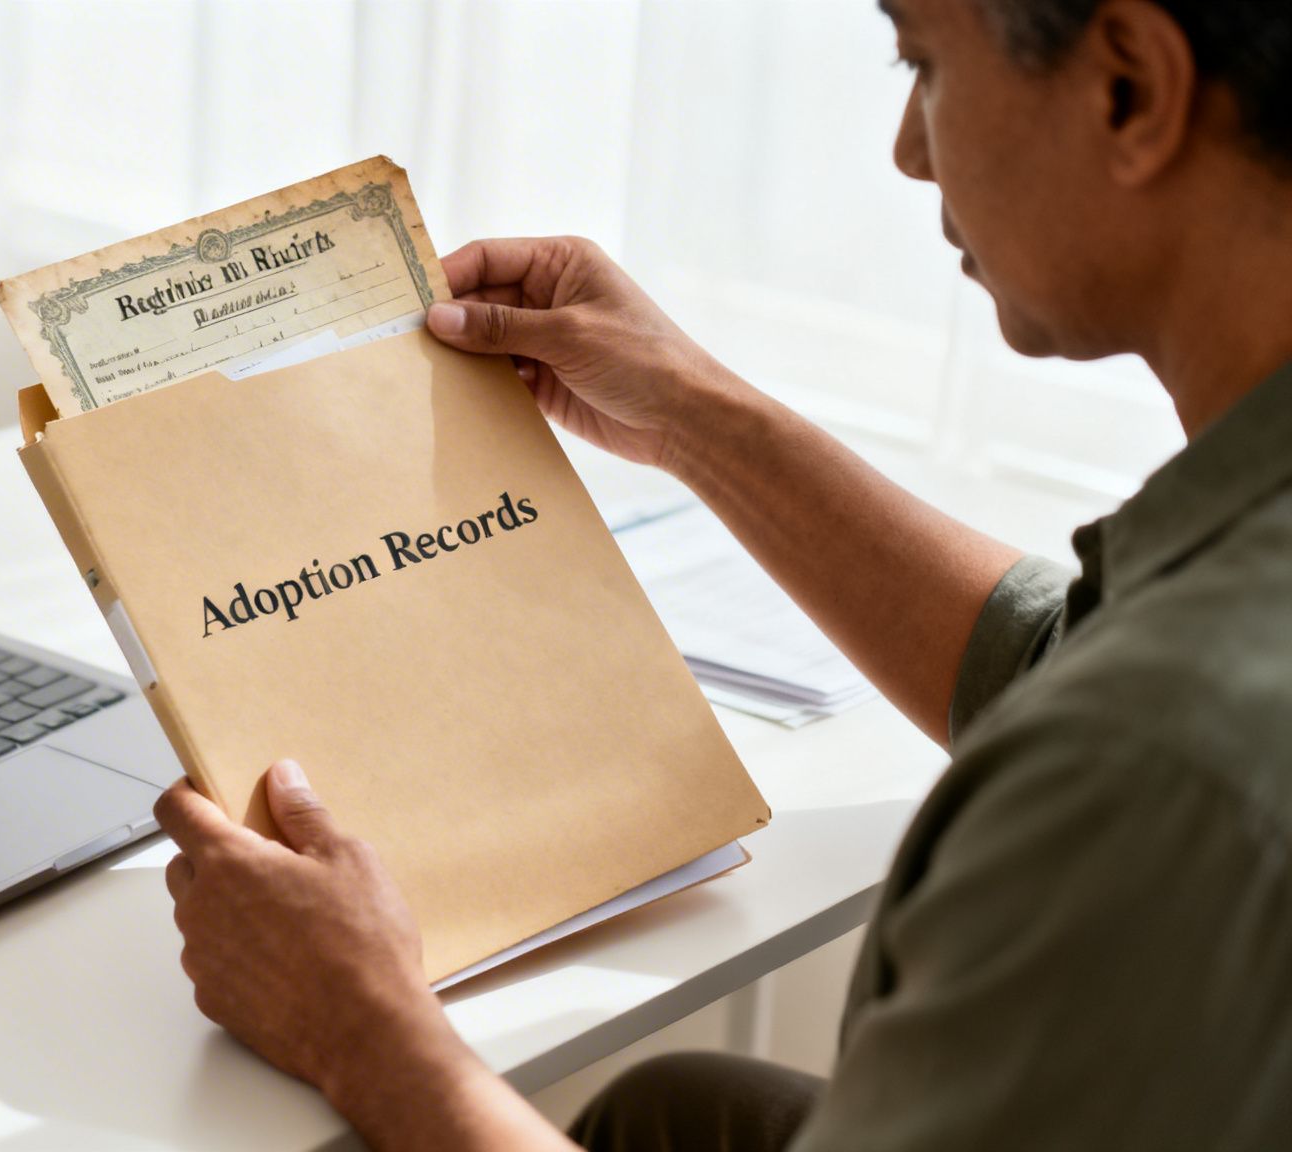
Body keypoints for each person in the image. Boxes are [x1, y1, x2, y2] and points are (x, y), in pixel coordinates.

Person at [153, 0, 1292, 1148]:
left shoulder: (1159, 765)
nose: (907, 148)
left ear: (1127, 90)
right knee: (677, 1109)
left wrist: (355, 1023)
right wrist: (686, 412)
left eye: (922, 61)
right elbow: (1056, 663)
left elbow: (1115, 725)